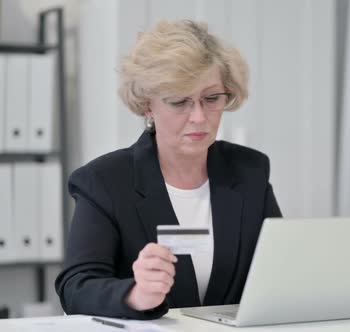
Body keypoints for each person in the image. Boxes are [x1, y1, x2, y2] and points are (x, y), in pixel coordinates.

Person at [55, 20, 282, 320]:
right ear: (148, 105)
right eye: (179, 102)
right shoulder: (105, 181)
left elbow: (282, 269)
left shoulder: (249, 171)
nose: (199, 117)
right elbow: (76, 287)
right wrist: (137, 295)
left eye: (212, 98)